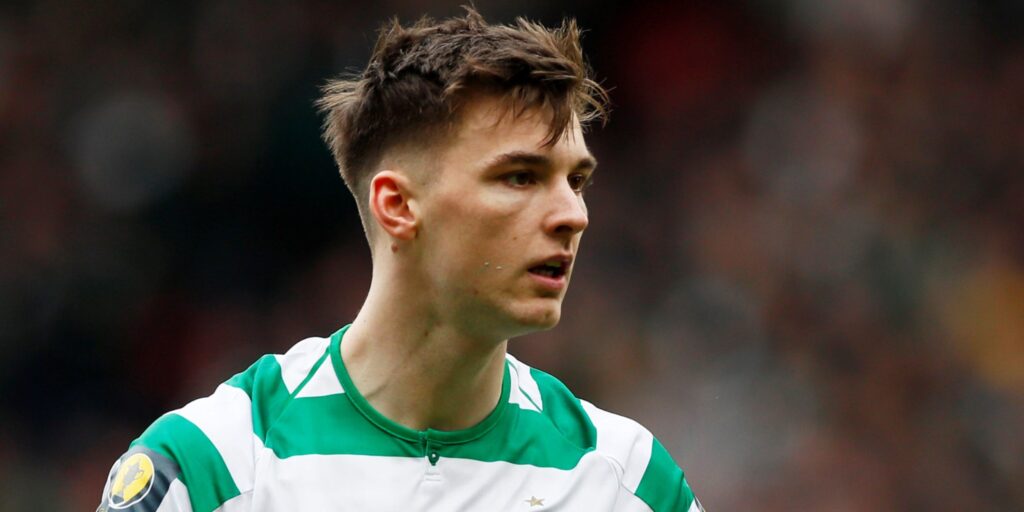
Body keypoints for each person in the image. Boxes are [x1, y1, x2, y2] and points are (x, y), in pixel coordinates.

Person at [97, 7, 702, 512]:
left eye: (577, 181)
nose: (573, 214)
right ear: (398, 204)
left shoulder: (626, 483)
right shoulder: (214, 469)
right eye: (521, 177)